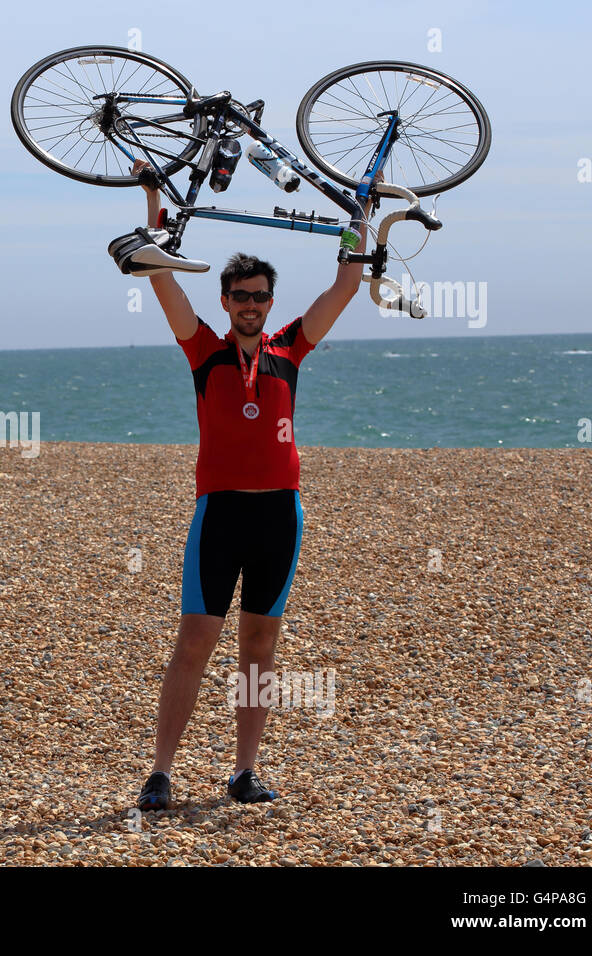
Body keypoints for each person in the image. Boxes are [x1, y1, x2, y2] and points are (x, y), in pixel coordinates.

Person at [130, 158, 376, 809]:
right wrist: (154, 194)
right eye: (239, 296)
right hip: (220, 514)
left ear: (270, 302)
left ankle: (243, 772)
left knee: (259, 646)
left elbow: (346, 286)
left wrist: (362, 218)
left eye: (259, 297)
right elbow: (157, 272)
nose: (249, 306)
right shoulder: (203, 349)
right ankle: (160, 773)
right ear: (225, 301)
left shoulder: (290, 348)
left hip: (280, 518)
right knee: (195, 641)